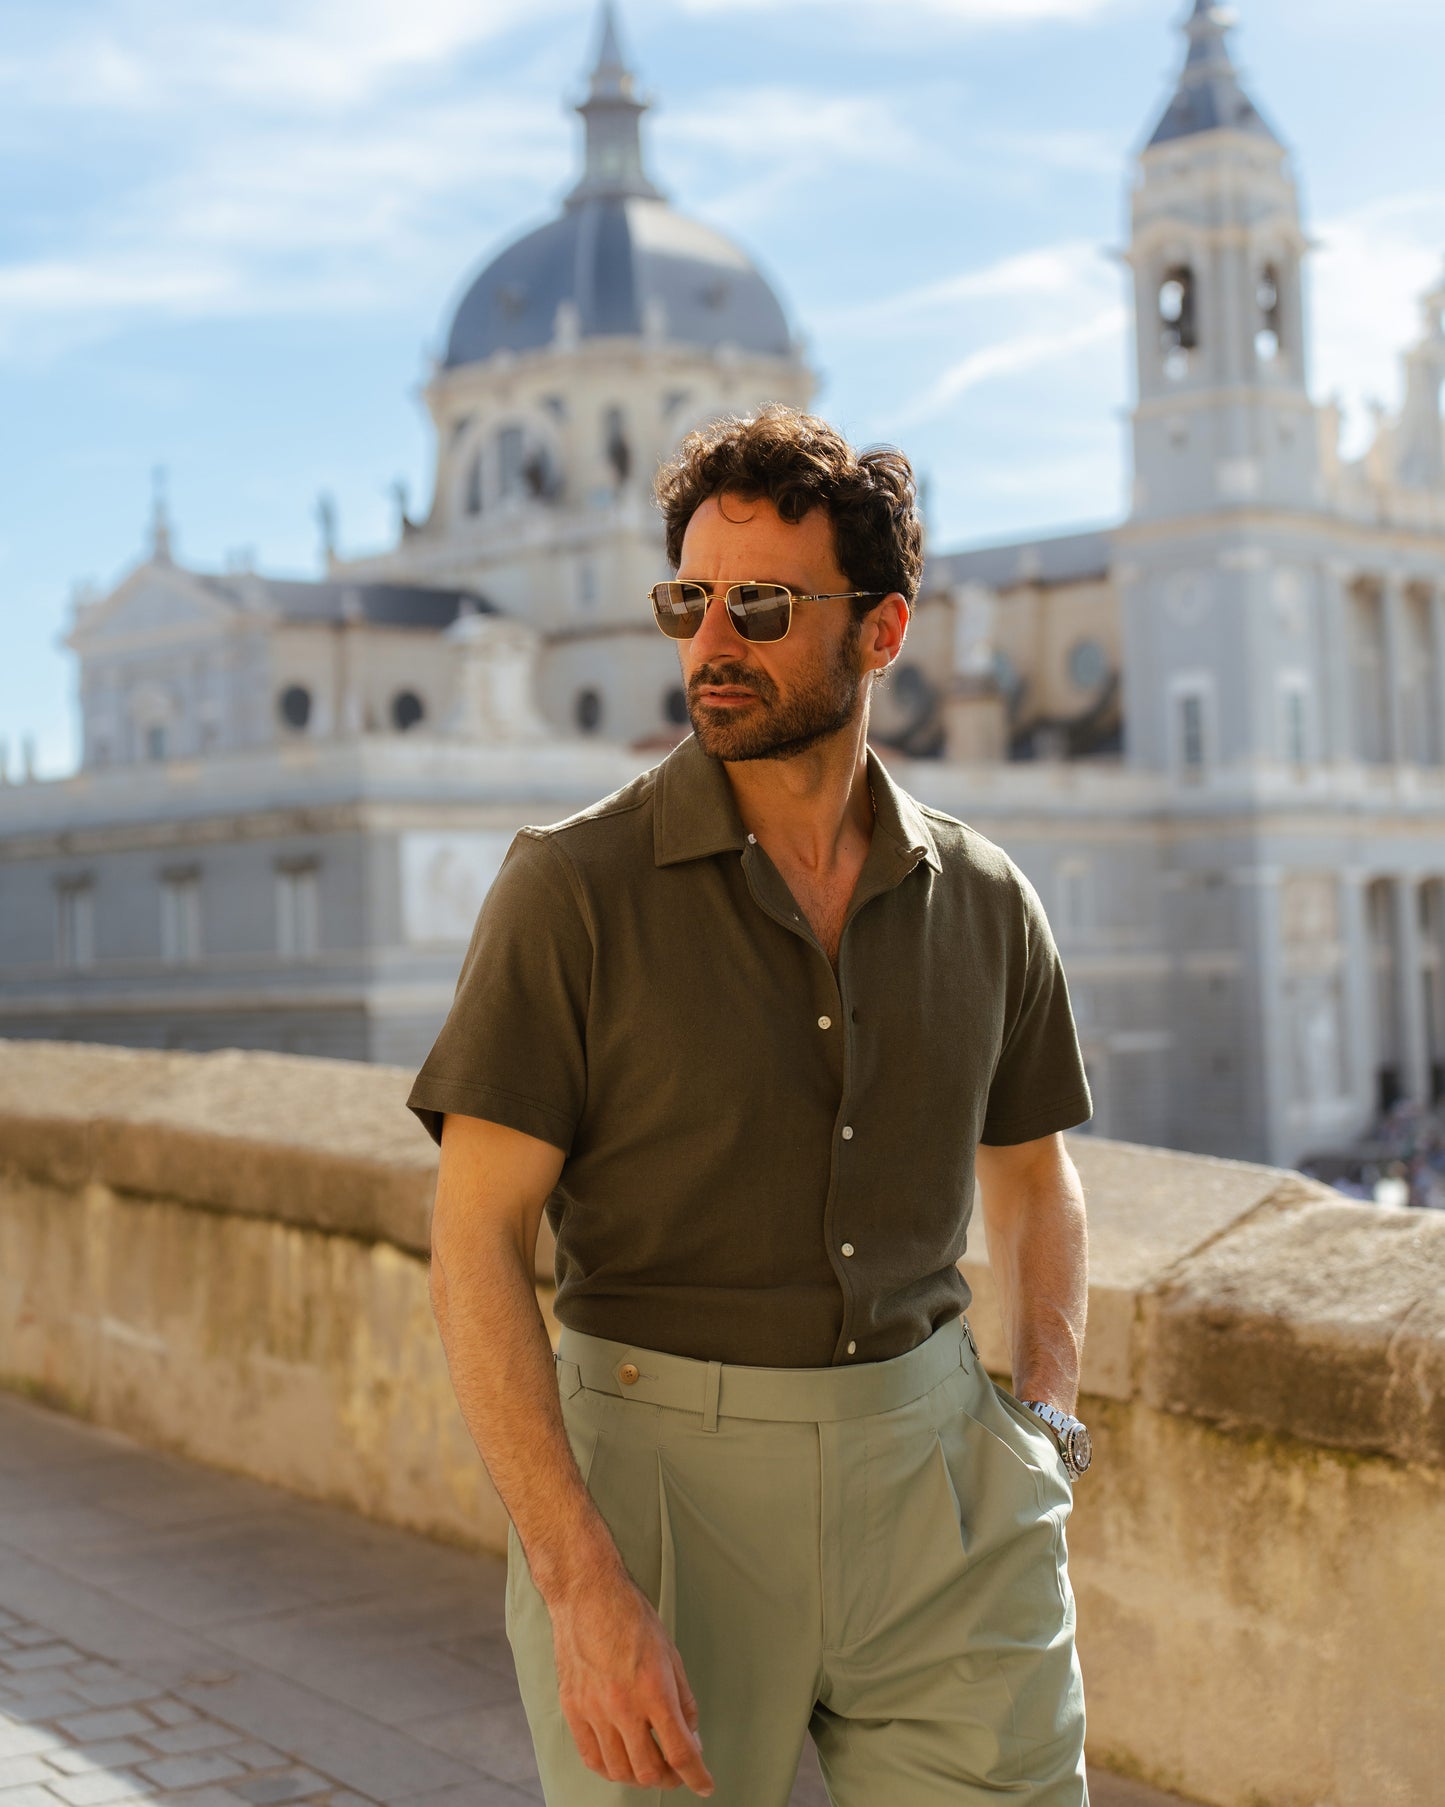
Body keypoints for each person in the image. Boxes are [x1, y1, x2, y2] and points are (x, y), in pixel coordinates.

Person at [406, 405, 1095, 1806]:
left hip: (944, 1497)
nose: (711, 644)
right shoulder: (568, 891)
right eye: (688, 601)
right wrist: (578, 1586)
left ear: (882, 631)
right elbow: (475, 1241)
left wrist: (1044, 1428)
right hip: (658, 1502)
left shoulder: (984, 901)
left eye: (761, 607)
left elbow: (1035, 1176)